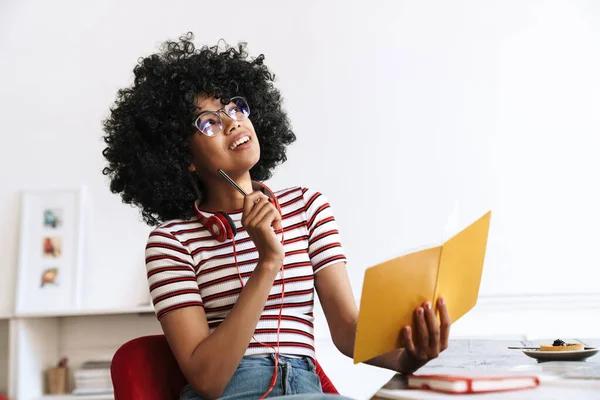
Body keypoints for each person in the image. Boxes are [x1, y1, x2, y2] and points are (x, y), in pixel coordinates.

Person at [102, 32, 451, 400]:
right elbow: (207, 380)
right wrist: (267, 263)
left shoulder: (307, 206)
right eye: (209, 122)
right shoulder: (170, 244)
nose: (233, 122)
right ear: (182, 156)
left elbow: (349, 330)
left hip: (307, 388)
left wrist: (409, 355)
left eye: (235, 108)